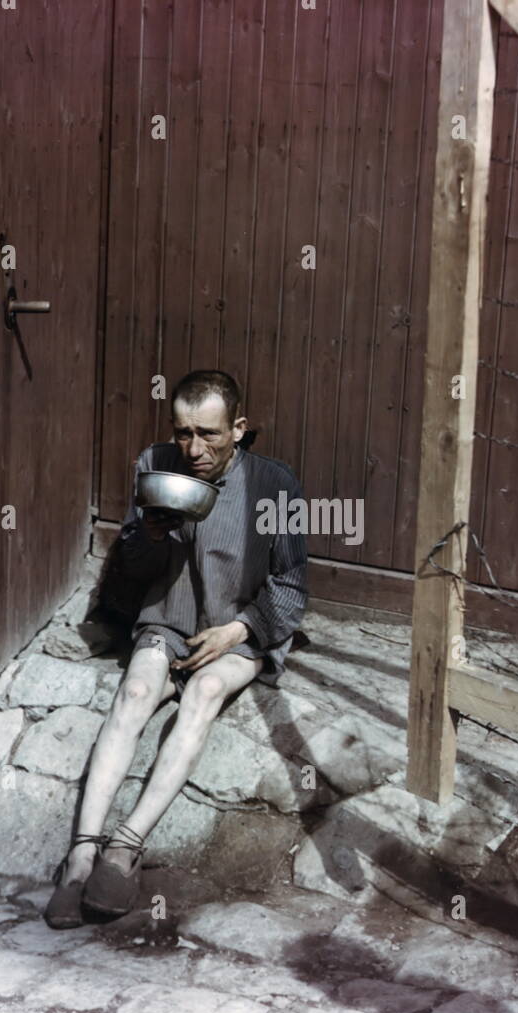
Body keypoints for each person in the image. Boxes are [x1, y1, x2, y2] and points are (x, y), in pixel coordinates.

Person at [45, 370, 309, 928]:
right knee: (135, 691)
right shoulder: (155, 464)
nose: (194, 449)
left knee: (206, 691)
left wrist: (240, 631)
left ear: (238, 428)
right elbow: (135, 568)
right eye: (184, 432)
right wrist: (154, 535)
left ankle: (125, 847)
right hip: (169, 617)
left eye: (209, 434)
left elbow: (291, 585)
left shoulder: (276, 484)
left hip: (237, 629)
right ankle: (81, 855)